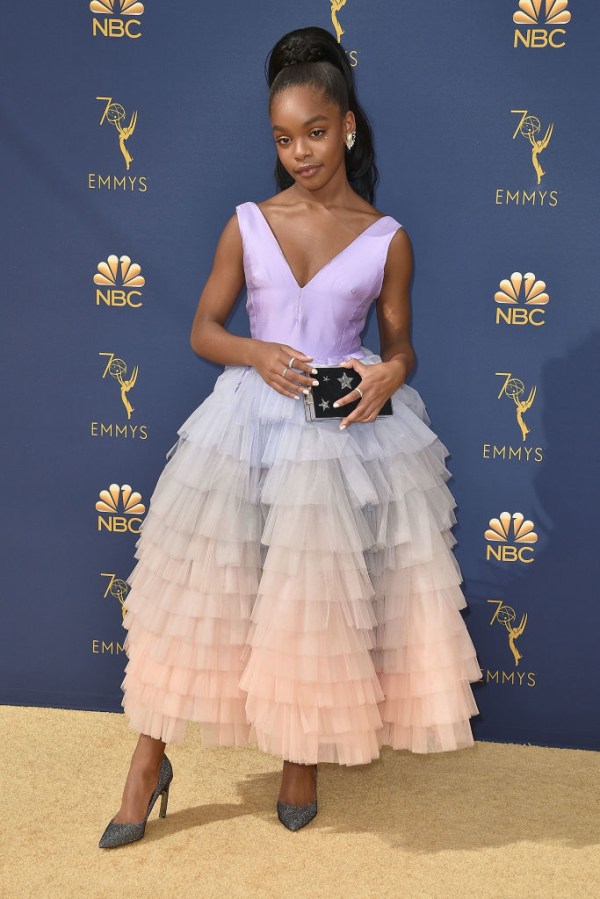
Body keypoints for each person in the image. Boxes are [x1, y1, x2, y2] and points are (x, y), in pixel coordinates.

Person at [99, 25, 481, 848]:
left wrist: (390, 372)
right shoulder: (248, 222)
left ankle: (301, 754)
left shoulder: (388, 237)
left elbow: (401, 344)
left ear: (346, 125)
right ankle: (146, 761)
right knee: (202, 594)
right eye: (282, 137)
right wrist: (254, 350)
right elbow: (205, 327)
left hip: (340, 432)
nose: (299, 151)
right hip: (246, 424)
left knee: (313, 601)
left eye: (314, 132)